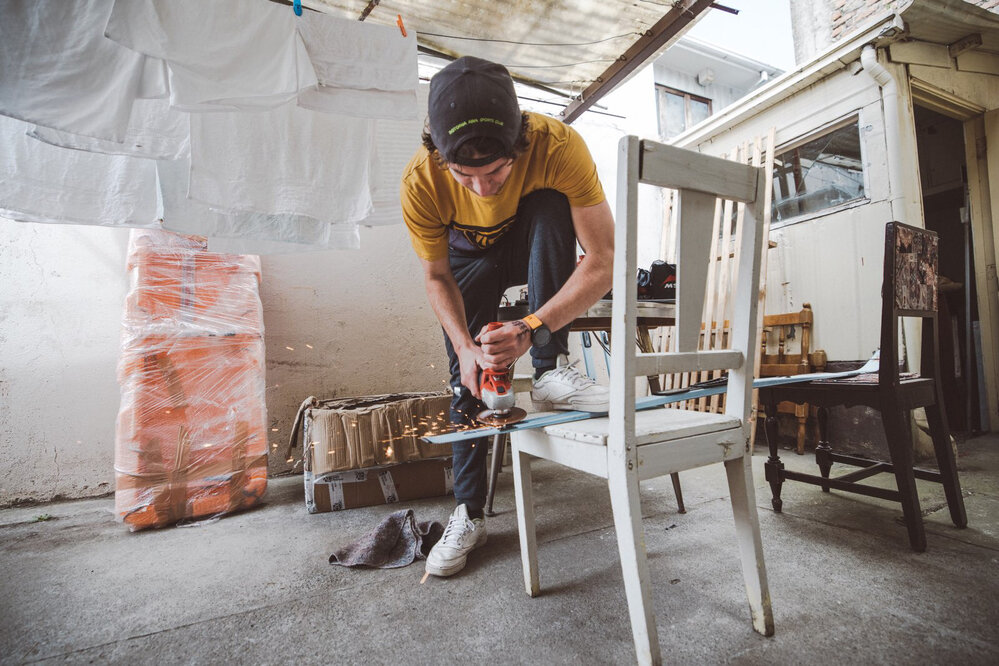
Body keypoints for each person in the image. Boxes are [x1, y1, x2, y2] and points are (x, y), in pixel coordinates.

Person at [400, 56, 614, 577]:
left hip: (529, 236)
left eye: (495, 171)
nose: (483, 189)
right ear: (438, 155)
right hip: (465, 255)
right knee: (466, 381)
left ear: (520, 141)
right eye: (464, 175)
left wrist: (531, 327)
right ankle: (469, 513)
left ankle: (546, 369)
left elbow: (605, 261)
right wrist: (467, 348)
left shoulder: (558, 145)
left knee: (546, 204)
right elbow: (436, 278)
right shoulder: (420, 182)